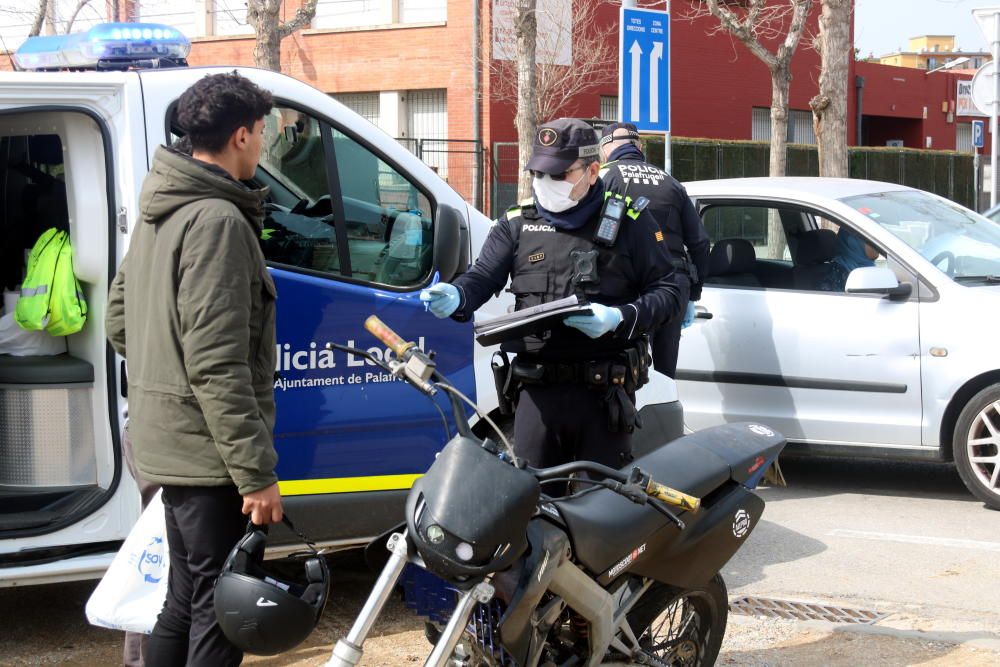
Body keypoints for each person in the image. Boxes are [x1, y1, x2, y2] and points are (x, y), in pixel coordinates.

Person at [105, 72, 283, 667]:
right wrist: (256, 475)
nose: (264, 144)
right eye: (262, 132)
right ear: (240, 136)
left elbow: (119, 322)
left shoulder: (164, 203)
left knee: (183, 596)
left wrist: (167, 380)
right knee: (219, 609)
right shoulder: (219, 221)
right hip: (207, 459)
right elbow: (217, 366)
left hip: (164, 443)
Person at [421, 118, 682, 471]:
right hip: (537, 394)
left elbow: (669, 291)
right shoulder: (517, 223)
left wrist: (620, 317)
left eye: (559, 175)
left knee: (604, 507)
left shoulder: (631, 221)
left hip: (604, 395)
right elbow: (482, 277)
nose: (545, 183)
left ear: (593, 170)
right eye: (539, 173)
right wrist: (457, 295)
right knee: (533, 501)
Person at [598, 122, 709, 378]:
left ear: (606, 149)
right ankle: (662, 416)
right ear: (639, 146)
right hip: (673, 285)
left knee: (620, 369)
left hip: (624, 283)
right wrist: (693, 294)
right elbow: (700, 243)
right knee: (664, 373)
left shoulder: (605, 176)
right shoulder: (671, 182)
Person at [825, 226, 880, 292]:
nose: (877, 247)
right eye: (870, 239)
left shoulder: (869, 271)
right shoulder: (841, 275)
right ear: (853, 243)